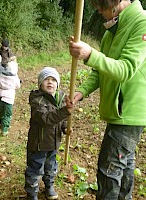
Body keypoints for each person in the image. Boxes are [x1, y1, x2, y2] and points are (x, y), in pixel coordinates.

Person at [69, 0, 146, 199]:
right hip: (117, 112)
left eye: (99, 8)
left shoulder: (142, 22)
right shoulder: (110, 30)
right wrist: (82, 92)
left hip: (128, 112)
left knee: (109, 170)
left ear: (112, 4)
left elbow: (126, 69)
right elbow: (100, 70)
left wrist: (90, 54)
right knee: (124, 166)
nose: (99, 13)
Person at [24, 67, 74, 200]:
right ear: (40, 84)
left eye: (53, 80)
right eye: (46, 79)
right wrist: (64, 111)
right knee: (34, 170)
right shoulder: (37, 100)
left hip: (53, 144)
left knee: (51, 168)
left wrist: (65, 128)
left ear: (57, 84)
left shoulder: (61, 98)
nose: (50, 82)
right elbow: (45, 119)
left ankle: (49, 186)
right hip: (38, 145)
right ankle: (32, 193)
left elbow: (62, 119)